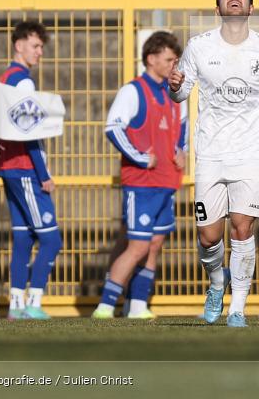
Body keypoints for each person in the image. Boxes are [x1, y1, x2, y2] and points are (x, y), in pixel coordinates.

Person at [168, 0, 259, 327]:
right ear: (218, 10)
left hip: (250, 155)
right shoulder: (198, 46)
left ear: (251, 8)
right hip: (210, 154)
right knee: (208, 235)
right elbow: (182, 94)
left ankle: (238, 309)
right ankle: (216, 283)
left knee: (243, 229)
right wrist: (175, 86)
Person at [93, 32, 187, 319]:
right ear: (152, 59)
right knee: (137, 246)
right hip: (141, 184)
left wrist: (180, 149)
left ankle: (136, 307)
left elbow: (181, 125)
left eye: (176, 60)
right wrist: (140, 157)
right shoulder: (133, 91)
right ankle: (105, 307)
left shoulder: (173, 93)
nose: (174, 65)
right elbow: (113, 128)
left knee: (155, 245)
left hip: (167, 181)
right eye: (169, 60)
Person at [0, 21, 62, 320]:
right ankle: (33, 302)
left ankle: (16, 306)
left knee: (23, 238)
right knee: (50, 238)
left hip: (8, 167)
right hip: (24, 168)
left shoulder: (5, 78)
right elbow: (28, 131)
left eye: (40, 47)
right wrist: (43, 173)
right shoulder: (22, 81)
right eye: (35, 46)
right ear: (19, 44)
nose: (39, 52)